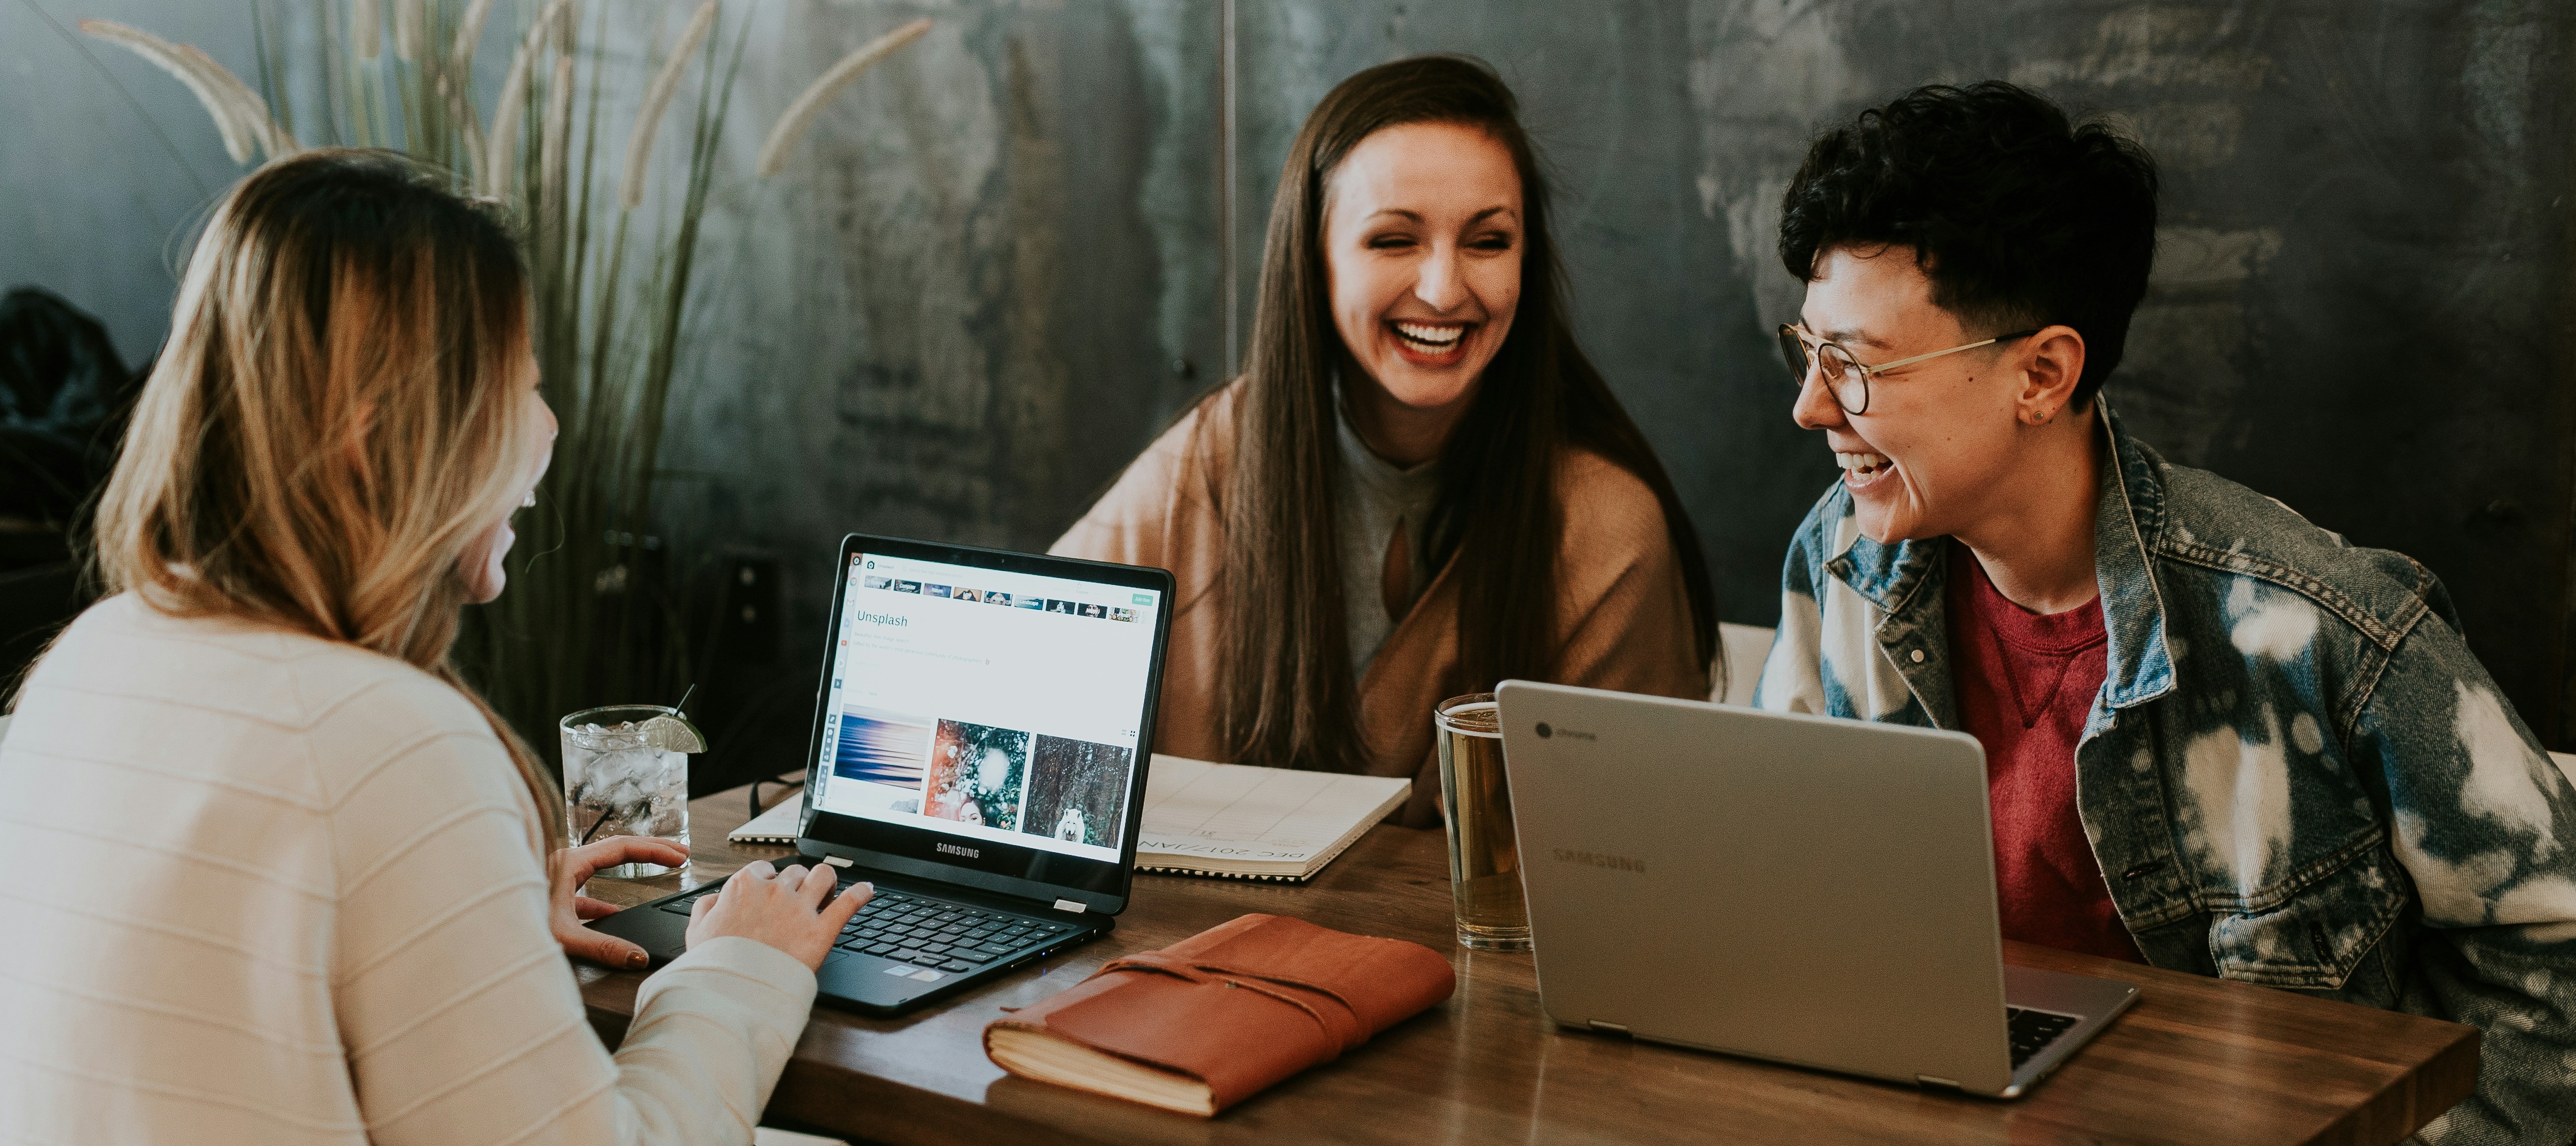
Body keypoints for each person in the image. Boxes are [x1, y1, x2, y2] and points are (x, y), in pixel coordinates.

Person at [1751, 82, 2576, 1144]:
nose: (1811, 406)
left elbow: (2557, 964)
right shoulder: (1842, 559)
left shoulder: (2320, 629)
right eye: (1808, 351)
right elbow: (1779, 902)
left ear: (2043, 374)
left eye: (1856, 366)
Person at [0, 150, 872, 1145]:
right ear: (380, 439)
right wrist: (741, 966)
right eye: (519, 386)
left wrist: (467, 925)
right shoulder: (388, 740)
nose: (546, 428)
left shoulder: (86, 662)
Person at [1055, 56, 1715, 826]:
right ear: (1315, 260)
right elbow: (1020, 671)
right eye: (1394, 240)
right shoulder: (1209, 460)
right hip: (1193, 944)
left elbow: (1632, 858)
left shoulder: (1607, 529)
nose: (1443, 289)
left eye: (1489, 241)